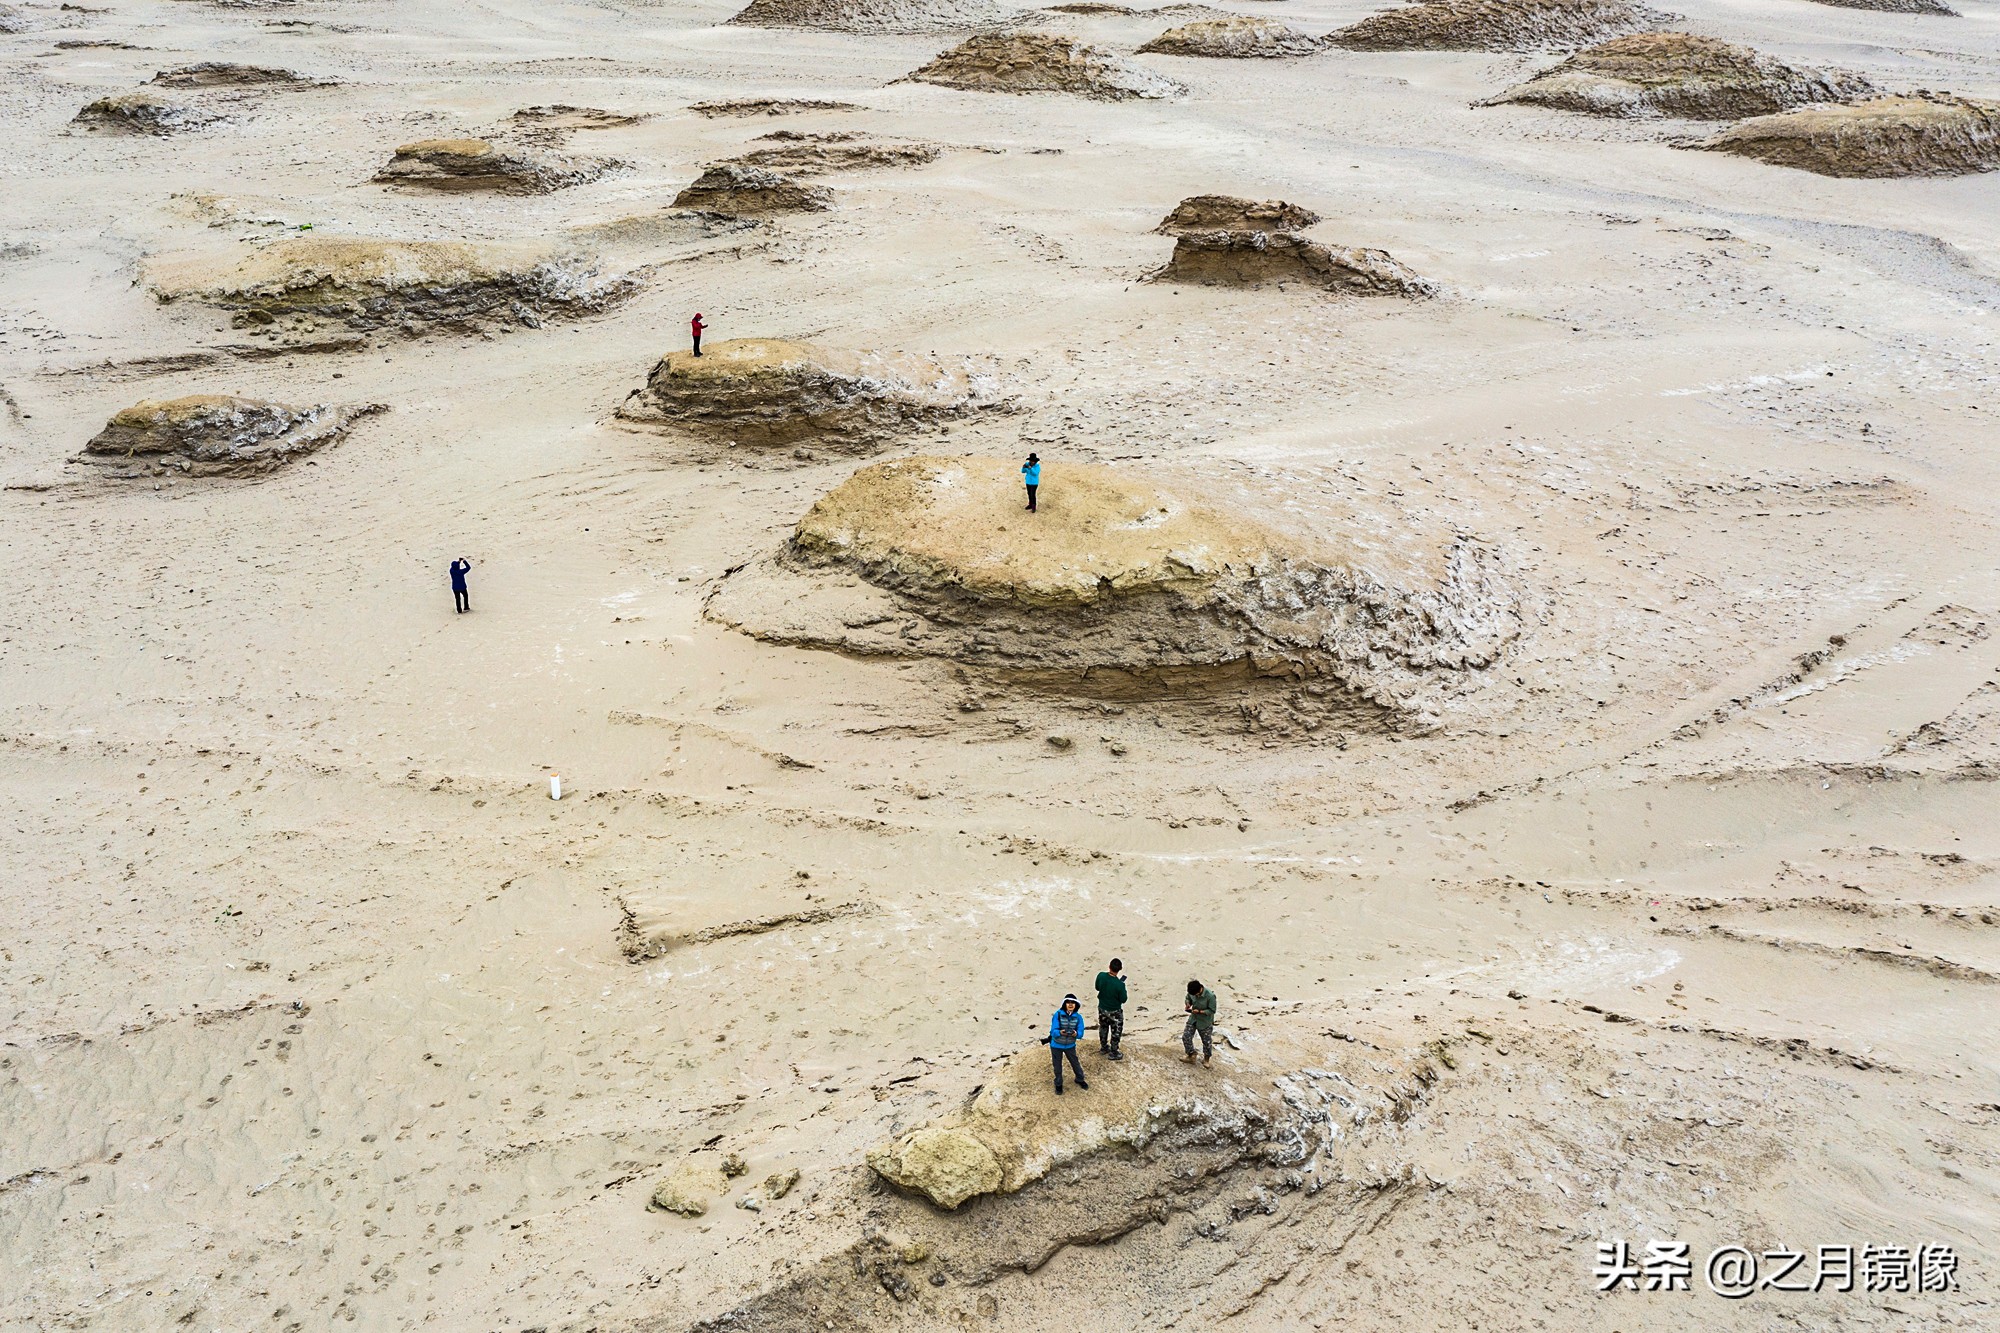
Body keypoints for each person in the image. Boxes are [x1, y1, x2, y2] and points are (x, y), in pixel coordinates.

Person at [1047, 993, 1089, 1094]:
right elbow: (1053, 1031)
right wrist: (1059, 1032)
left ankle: (1080, 1079)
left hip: (1070, 1045)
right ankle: (1058, 1084)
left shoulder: (1078, 1017)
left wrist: (1076, 1034)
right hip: (1056, 1045)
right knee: (1057, 1066)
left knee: (1075, 1063)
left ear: (1076, 1005)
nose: (1070, 1005)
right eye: (1068, 1002)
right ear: (1064, 1004)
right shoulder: (1057, 1014)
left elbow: (1081, 1032)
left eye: (1073, 1003)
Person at [1095, 959, 1127, 1061]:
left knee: (1103, 1027)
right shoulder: (1120, 984)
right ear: (1120, 969)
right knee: (1116, 1031)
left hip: (1102, 1008)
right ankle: (1114, 1052)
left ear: (1109, 966)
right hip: (1115, 1011)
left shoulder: (1101, 976)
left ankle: (1104, 1047)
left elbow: (1097, 987)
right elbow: (1123, 999)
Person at [1183, 979, 1216, 1065]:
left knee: (1206, 1041)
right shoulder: (1192, 992)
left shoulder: (1210, 996)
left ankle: (1206, 1059)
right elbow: (1188, 997)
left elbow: (1212, 1010)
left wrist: (1200, 1012)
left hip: (1205, 1022)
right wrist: (1188, 1003)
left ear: (1199, 990)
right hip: (1193, 1018)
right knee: (1186, 1036)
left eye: (1195, 994)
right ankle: (1191, 1055)